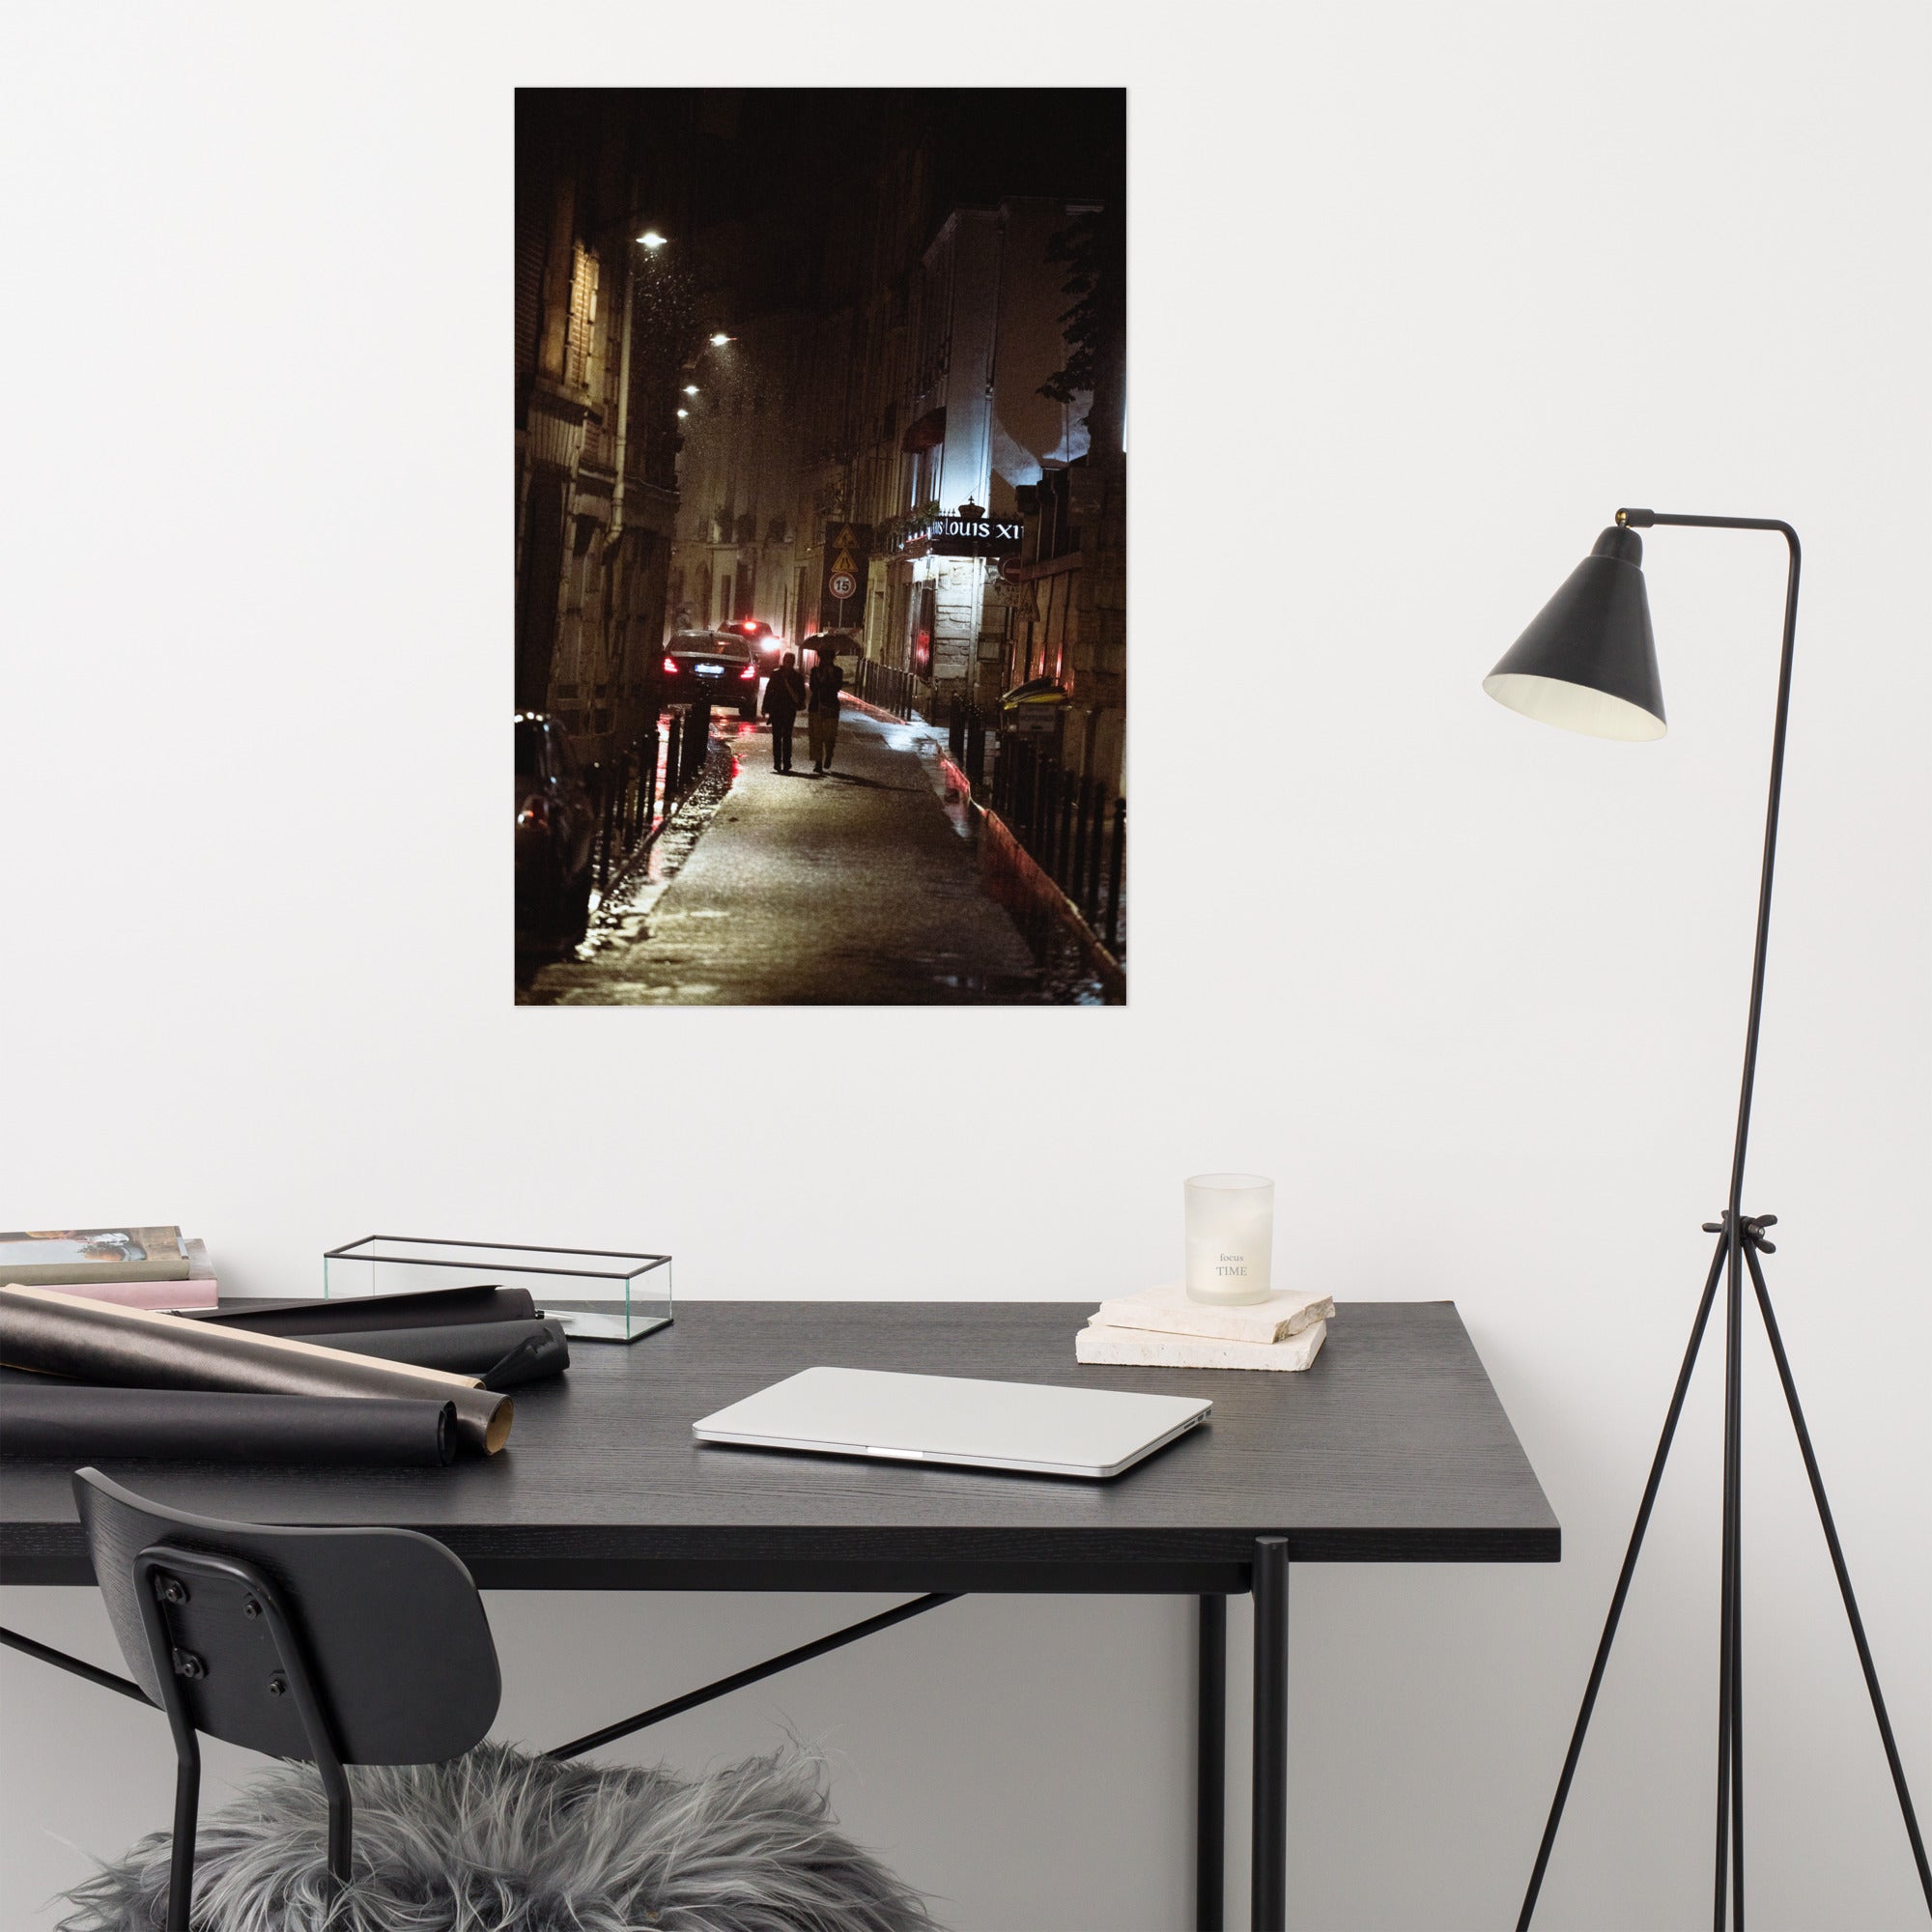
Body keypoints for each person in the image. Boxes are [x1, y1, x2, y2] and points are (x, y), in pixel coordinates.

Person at [761, 650, 807, 773]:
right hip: (776, 709)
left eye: (790, 662)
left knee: (787, 736)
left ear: (793, 663)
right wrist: (765, 707)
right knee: (776, 737)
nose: (788, 664)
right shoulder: (775, 674)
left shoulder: (797, 677)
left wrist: (787, 683)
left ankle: (787, 762)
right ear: (783, 661)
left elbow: (800, 696)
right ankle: (777, 762)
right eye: (786, 662)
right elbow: (769, 691)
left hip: (789, 709)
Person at [807, 640, 845, 774]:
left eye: (828, 658)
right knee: (816, 735)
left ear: (832, 658)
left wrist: (831, 676)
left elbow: (838, 687)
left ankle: (829, 753)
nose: (825, 660)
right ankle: (818, 762)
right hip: (816, 706)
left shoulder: (838, 671)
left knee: (830, 735)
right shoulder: (815, 671)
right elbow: (812, 687)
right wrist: (821, 678)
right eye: (823, 658)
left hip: (831, 707)